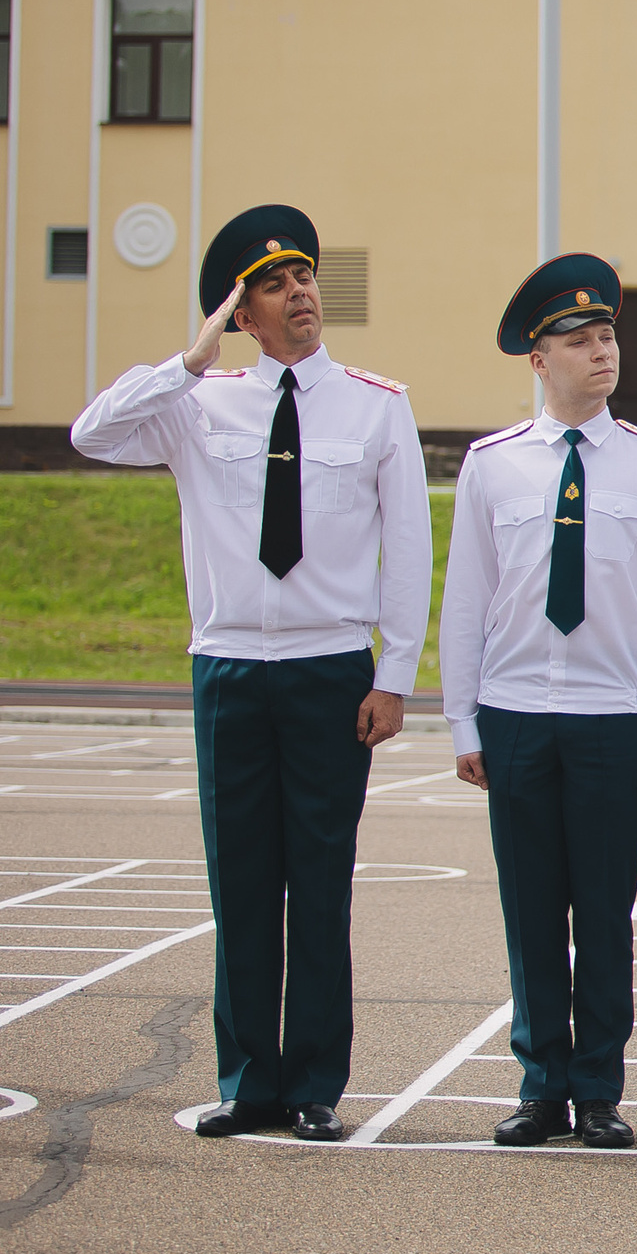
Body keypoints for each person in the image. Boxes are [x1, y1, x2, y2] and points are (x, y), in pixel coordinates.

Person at [70, 205, 429, 1141]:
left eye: (305, 275)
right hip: (229, 668)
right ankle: (249, 1081)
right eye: (274, 283)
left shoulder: (375, 401)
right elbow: (90, 436)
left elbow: (410, 550)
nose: (301, 291)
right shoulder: (197, 402)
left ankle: (314, 1082)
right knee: (239, 880)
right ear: (239, 311)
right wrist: (185, 362)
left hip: (327, 671)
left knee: (317, 878)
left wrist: (394, 674)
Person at [439, 253, 637, 1150]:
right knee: (532, 908)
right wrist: (463, 718)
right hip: (515, 713)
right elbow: (465, 599)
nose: (603, 352)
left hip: (613, 715)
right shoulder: (493, 465)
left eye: (608, 336)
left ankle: (598, 1087)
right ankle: (541, 1081)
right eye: (581, 340)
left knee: (605, 909)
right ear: (538, 359)